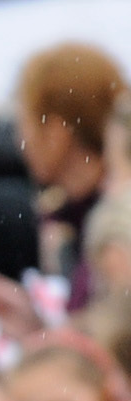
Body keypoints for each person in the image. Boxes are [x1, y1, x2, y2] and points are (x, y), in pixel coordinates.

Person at [16, 43, 126, 305]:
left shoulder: (111, 225)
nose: (20, 139)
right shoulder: (69, 216)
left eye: (24, 122)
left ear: (56, 133)